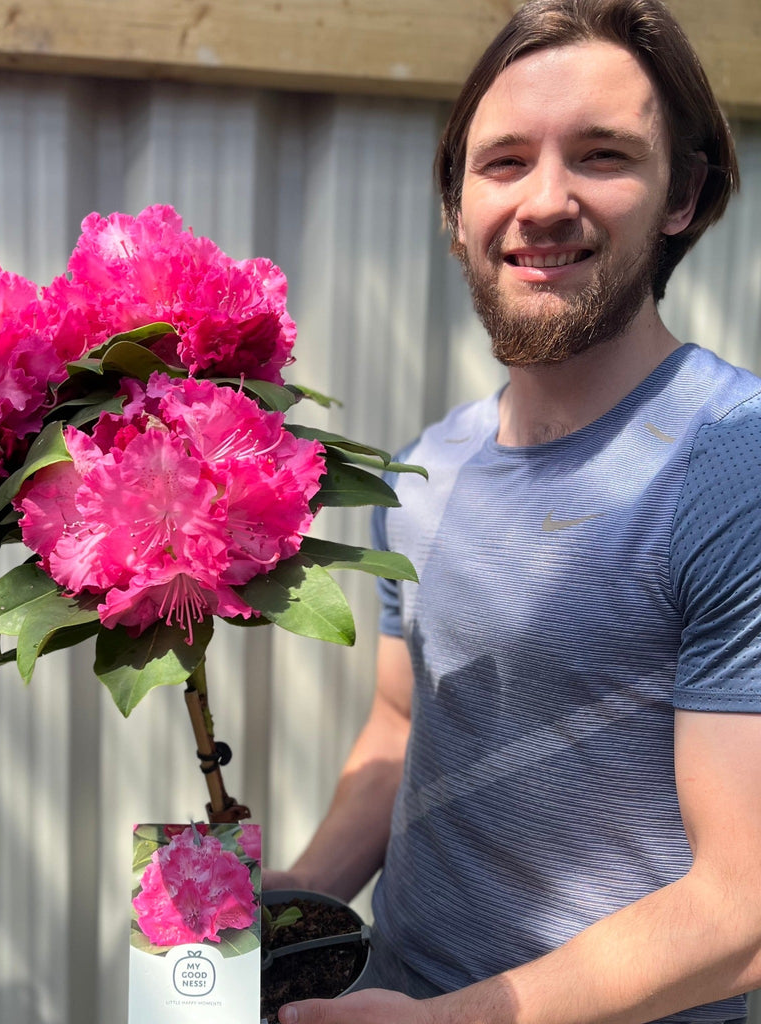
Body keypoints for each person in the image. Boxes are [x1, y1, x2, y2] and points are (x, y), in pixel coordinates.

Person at [267, 2, 761, 1023]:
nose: (545, 202)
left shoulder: (733, 462)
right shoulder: (420, 470)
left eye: (601, 155)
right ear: (455, 206)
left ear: (684, 195)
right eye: (502, 163)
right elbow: (405, 722)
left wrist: (454, 1021)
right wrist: (296, 899)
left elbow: (743, 906)